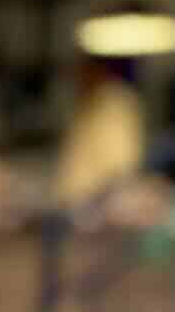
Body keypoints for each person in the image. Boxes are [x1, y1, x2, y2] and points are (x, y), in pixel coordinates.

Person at [55, 53, 145, 209]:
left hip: (95, 202)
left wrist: (98, 201)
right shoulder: (90, 100)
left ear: (97, 70)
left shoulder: (115, 102)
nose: (78, 78)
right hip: (77, 201)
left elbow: (120, 161)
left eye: (82, 71)